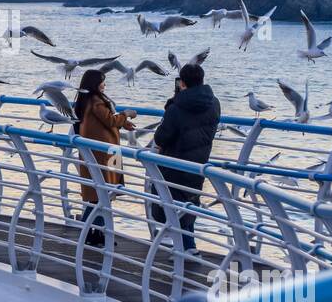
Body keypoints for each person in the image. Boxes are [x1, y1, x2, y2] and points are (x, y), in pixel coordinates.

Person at [151, 62, 221, 252]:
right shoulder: (214, 104)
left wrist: (172, 104)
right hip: (198, 162)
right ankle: (189, 247)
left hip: (174, 163)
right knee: (188, 202)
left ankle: (185, 250)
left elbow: (161, 137)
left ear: (182, 83)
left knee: (170, 204)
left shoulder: (176, 107)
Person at [72, 68, 135, 248]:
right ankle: (87, 231)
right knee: (102, 196)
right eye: (102, 81)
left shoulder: (86, 101)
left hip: (97, 154)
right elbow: (110, 121)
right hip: (104, 155)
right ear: (94, 83)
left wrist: (123, 124)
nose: (104, 84)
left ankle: (96, 233)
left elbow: (104, 123)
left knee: (99, 196)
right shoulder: (96, 101)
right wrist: (127, 114)